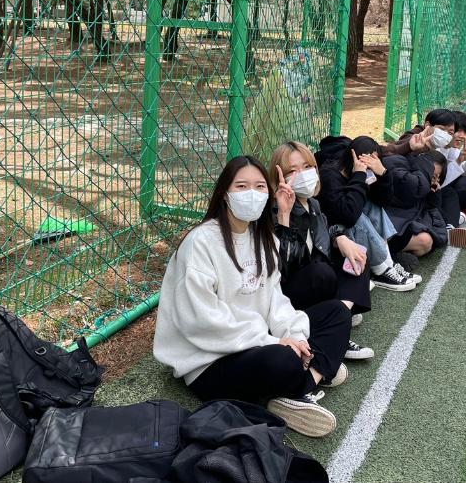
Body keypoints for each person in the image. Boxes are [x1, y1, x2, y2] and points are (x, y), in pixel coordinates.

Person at [152, 155, 351, 438]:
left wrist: (294, 336)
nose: (252, 194)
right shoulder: (200, 242)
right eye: (242, 186)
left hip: (254, 344)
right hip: (209, 360)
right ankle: (309, 378)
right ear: (224, 194)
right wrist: (274, 342)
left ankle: (298, 385)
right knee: (283, 360)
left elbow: (275, 299)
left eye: (259, 187)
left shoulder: (262, 237)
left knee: (338, 313)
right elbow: (203, 320)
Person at [269, 141, 375, 361]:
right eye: (292, 170)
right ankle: (333, 329)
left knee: (357, 257)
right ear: (279, 178)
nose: (303, 174)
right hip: (287, 294)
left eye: (307, 167)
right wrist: (284, 216)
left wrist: (340, 237)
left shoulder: (313, 204)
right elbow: (282, 268)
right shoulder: (274, 211)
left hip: (316, 287)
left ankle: (337, 324)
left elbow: (323, 233)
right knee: (321, 272)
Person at [316, 135, 421, 291]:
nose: (370, 165)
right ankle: (381, 270)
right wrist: (359, 176)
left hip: (348, 224)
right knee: (359, 217)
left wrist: (383, 174)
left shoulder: (365, 172)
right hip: (333, 233)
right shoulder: (330, 176)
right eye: (367, 161)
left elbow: (383, 201)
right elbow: (348, 216)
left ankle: (388, 264)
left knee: (373, 206)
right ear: (354, 158)